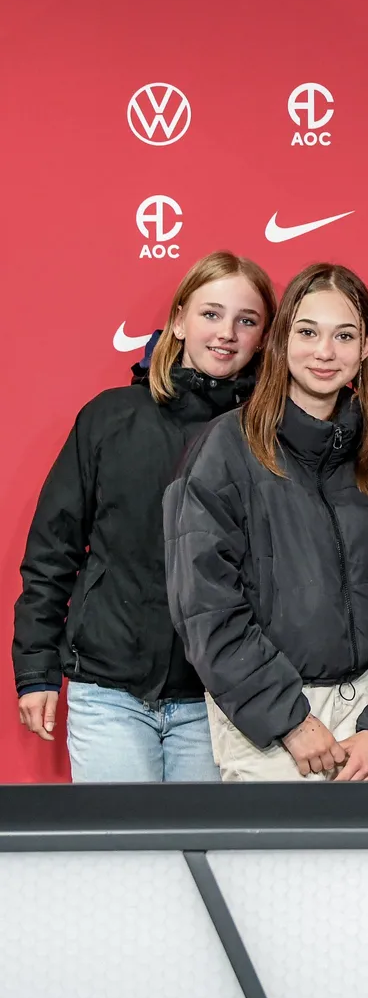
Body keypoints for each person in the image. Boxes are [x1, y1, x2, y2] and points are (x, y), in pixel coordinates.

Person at [15, 252, 274, 781]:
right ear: (178, 320)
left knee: (201, 864)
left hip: (220, 701)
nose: (226, 333)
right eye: (210, 314)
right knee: (122, 862)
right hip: (109, 693)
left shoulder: (267, 438)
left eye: (246, 320)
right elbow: (52, 551)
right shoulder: (110, 417)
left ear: (263, 337)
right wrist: (36, 670)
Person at [164, 263, 368, 781]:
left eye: (344, 335)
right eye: (307, 332)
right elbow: (205, 606)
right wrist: (290, 720)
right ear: (281, 340)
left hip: (366, 721)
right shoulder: (224, 450)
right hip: (269, 726)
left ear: (367, 346)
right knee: (277, 866)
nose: (325, 352)